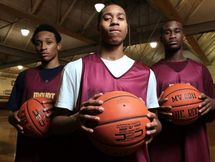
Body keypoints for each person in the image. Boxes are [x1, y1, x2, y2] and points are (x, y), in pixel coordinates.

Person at [52, 3, 162, 162]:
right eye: (107, 18)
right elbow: (56, 125)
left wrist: (154, 128)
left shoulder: (146, 74)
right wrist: (77, 119)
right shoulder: (75, 68)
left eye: (121, 18)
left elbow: (156, 121)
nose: (114, 22)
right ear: (98, 27)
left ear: (126, 27)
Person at [149, 20, 215, 162]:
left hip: (195, 138)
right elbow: (145, 111)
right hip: (164, 142)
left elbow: (213, 106)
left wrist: (213, 104)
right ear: (161, 39)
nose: (172, 35)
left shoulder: (200, 70)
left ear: (184, 36)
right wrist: (156, 111)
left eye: (177, 31)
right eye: (167, 32)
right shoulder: (152, 72)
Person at [7, 24, 64, 162]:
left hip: (60, 147)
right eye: (38, 43)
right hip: (28, 147)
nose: (43, 47)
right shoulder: (24, 76)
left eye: (49, 42)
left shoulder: (70, 73)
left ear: (58, 45)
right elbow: (11, 112)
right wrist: (13, 118)